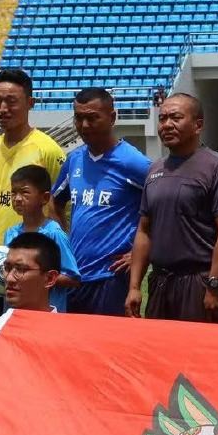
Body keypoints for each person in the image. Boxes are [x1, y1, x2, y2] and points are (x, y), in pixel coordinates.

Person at [0, 69, 65, 351]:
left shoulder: (48, 150)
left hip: (29, 274)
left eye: (11, 101)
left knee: (27, 353)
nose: (2, 108)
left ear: (30, 103)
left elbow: (59, 209)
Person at [125, 94, 218, 323]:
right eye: (162, 118)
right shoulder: (155, 170)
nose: (167, 125)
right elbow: (144, 230)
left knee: (201, 346)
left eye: (175, 118)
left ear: (198, 125)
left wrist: (213, 284)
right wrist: (134, 287)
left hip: (199, 284)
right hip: (160, 283)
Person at [51, 87, 148, 316]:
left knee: (109, 339)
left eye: (93, 118)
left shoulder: (133, 162)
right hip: (75, 276)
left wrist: (140, 253)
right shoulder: (74, 160)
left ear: (112, 117)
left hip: (112, 278)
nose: (84, 125)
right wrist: (64, 244)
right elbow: (54, 203)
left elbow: (163, 207)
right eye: (78, 118)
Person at [4, 165, 78, 313]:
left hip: (46, 316)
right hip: (15, 314)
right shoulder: (11, 233)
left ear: (44, 198)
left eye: (25, 192)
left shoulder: (54, 233)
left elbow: (72, 278)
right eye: (13, 193)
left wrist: (36, 278)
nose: (17, 198)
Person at [3, 232, 61, 313]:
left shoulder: (63, 323)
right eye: (7, 268)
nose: (9, 279)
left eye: (21, 269)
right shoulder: (1, 321)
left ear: (50, 278)